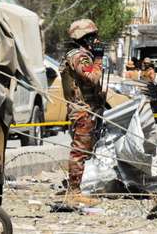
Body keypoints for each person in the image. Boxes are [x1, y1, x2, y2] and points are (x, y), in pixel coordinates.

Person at [60, 19, 105, 206]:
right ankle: (74, 192)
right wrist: (99, 59)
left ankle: (75, 189)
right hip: (82, 111)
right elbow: (92, 78)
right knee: (79, 151)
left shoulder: (81, 54)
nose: (95, 40)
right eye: (92, 37)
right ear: (83, 38)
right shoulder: (79, 57)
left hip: (85, 110)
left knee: (83, 150)